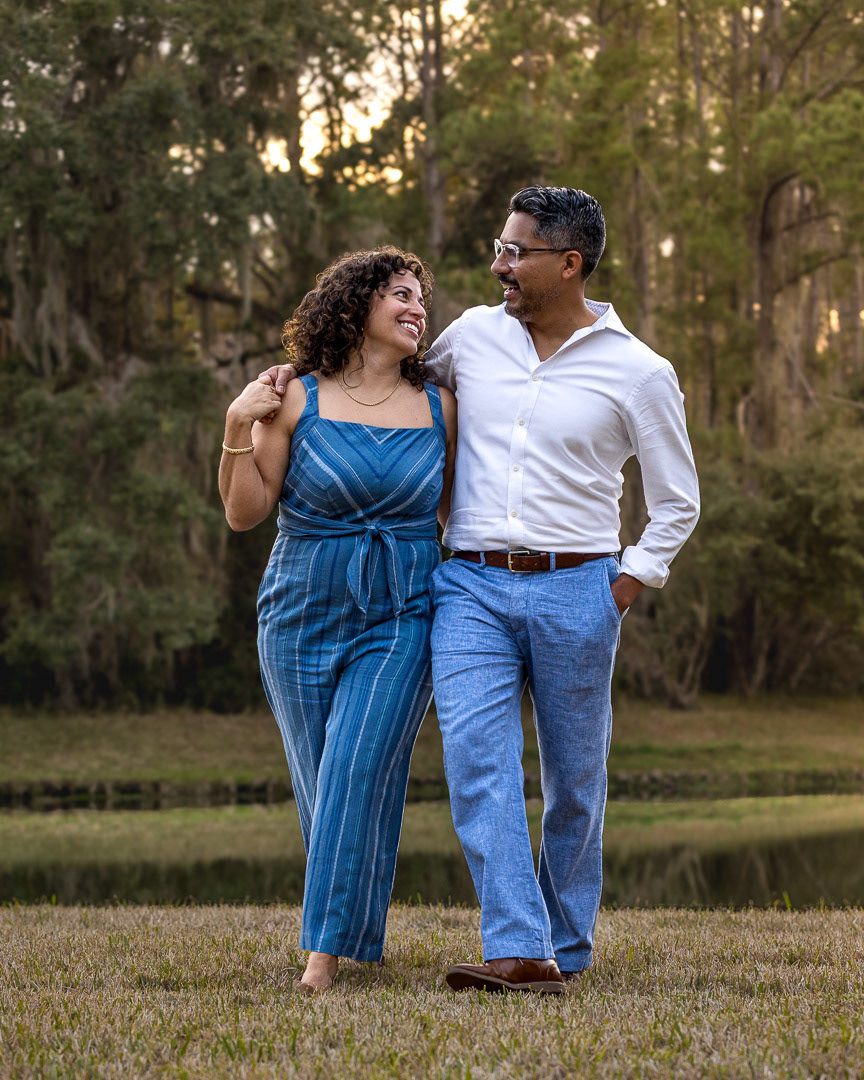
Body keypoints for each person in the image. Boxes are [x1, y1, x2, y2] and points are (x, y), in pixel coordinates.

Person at [261, 186, 700, 996]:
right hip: (466, 586)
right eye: (499, 248)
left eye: (515, 252)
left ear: (567, 264)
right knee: (476, 761)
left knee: (576, 780)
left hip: (581, 586)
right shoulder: (470, 338)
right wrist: (298, 380)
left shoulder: (639, 371)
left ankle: (565, 943)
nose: (498, 265)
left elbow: (677, 501)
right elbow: (383, 387)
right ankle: (518, 949)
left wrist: (626, 584)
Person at [220, 246, 456, 994]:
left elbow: (462, 514)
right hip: (299, 610)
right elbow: (244, 511)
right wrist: (236, 426)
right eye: (401, 294)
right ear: (356, 306)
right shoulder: (297, 398)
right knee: (326, 781)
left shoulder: (443, 406)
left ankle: (323, 960)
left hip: (403, 611)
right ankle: (354, 932)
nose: (418, 308)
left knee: (357, 767)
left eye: (421, 298)